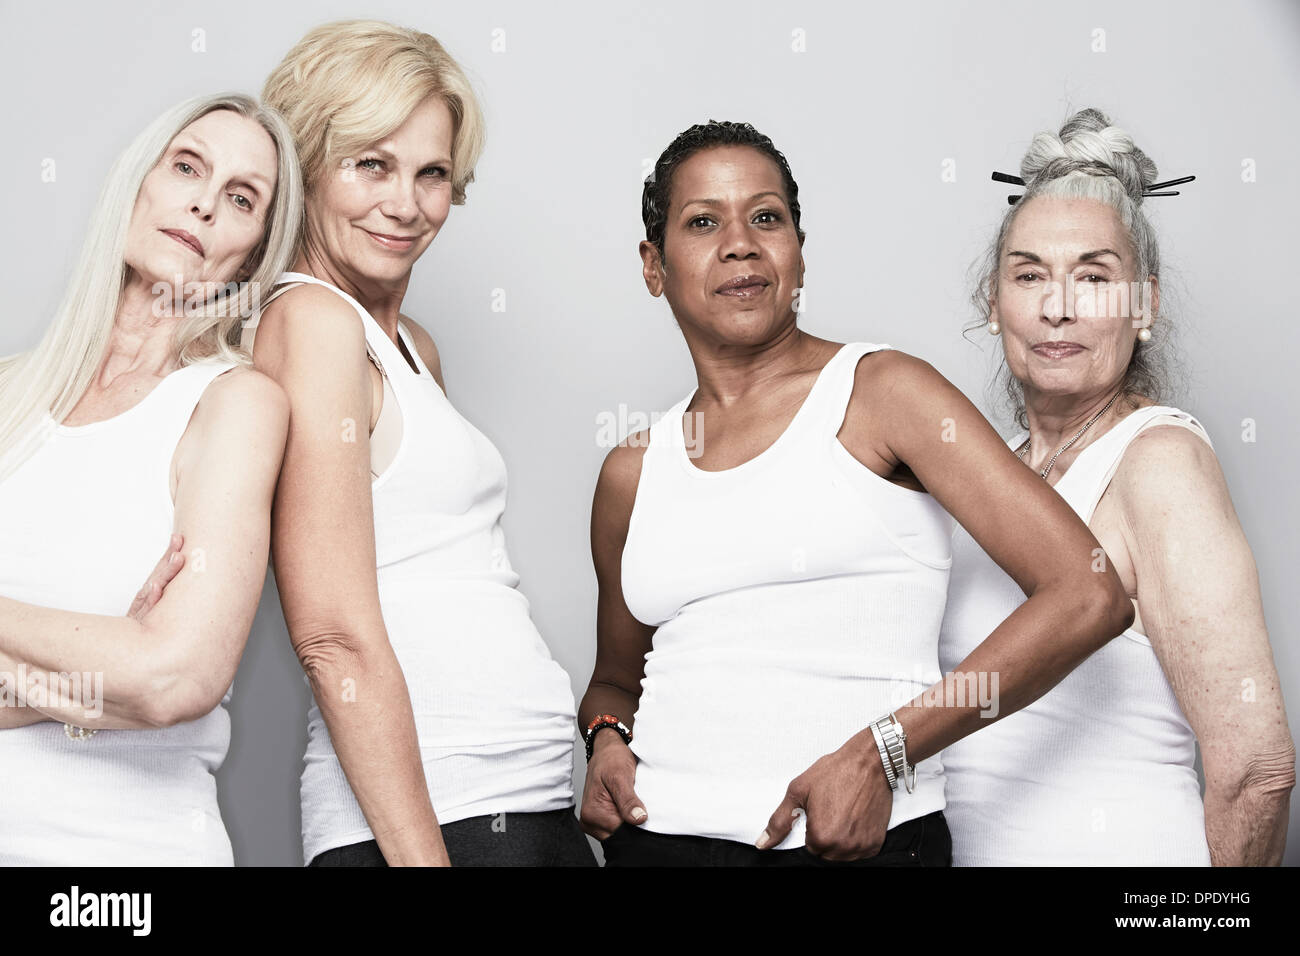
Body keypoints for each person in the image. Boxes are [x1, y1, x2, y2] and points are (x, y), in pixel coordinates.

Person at [578, 119, 1136, 867]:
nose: (740, 244)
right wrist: (605, 739)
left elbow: (1088, 594)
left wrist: (883, 753)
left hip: (854, 845)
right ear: (654, 265)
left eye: (766, 218)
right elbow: (615, 681)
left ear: (799, 252)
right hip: (658, 844)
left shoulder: (883, 393)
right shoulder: (633, 470)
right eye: (703, 222)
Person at [251, 19, 593, 867]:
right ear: (307, 164)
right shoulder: (313, 324)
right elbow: (331, 635)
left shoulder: (410, 346)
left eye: (432, 173)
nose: (406, 204)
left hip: (518, 803)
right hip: (431, 828)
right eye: (371, 164)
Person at [937, 108, 1295, 866]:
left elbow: (1257, 773)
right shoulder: (985, 475)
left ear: (1145, 305)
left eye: (1094, 278)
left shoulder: (1159, 462)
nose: (1057, 306)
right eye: (1029, 275)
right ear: (992, 302)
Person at [0, 92, 302, 865]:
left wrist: (136, 674)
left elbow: (174, 678)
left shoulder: (234, 404)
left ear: (252, 255)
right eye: (187, 167)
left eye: (241, 198)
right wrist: (106, 678)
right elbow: (141, 679)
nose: (205, 203)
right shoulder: (7, 396)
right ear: (137, 183)